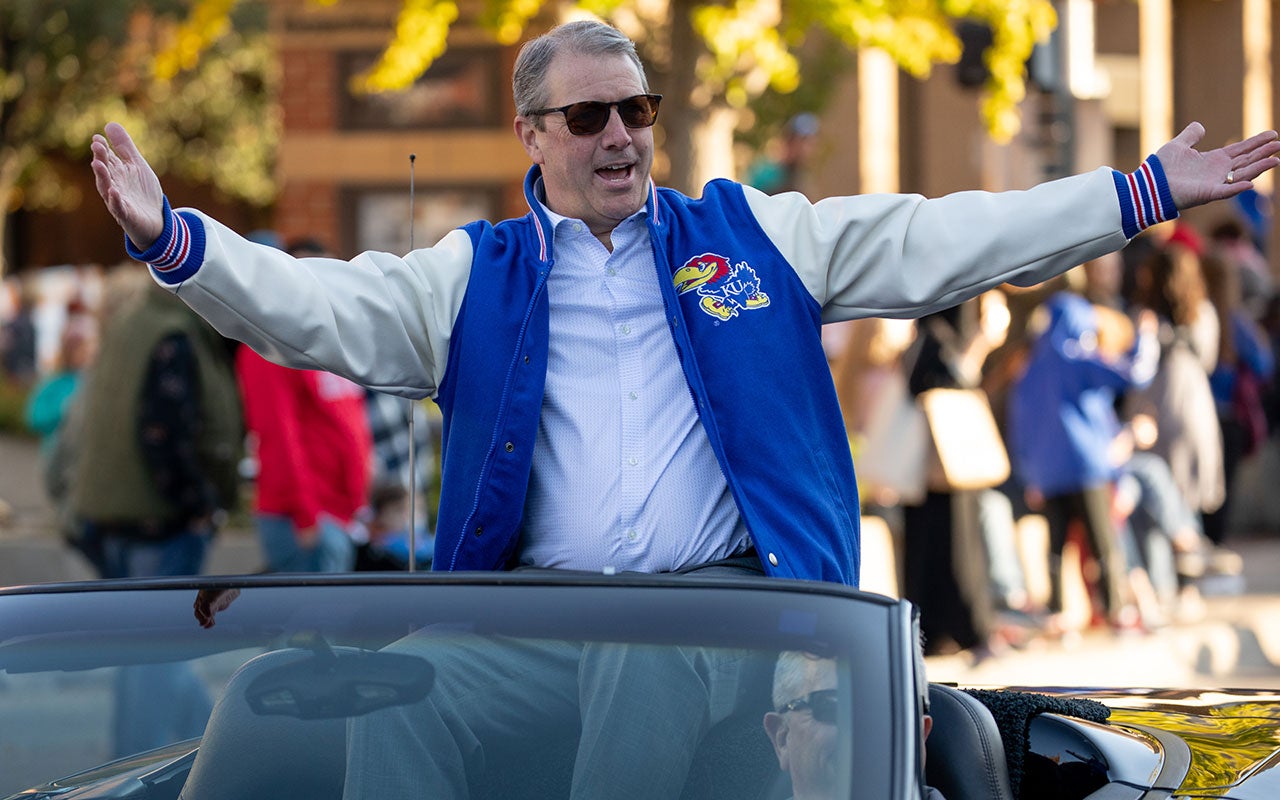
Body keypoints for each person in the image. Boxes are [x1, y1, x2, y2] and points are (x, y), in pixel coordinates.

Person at [90, 18, 1278, 798]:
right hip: (527, 620)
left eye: (635, 111)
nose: (619, 134)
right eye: (588, 116)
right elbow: (311, 310)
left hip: (723, 614)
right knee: (408, 681)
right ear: (531, 135)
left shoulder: (750, 233)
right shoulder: (475, 274)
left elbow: (941, 237)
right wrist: (171, 238)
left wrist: (1134, 192)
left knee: (641, 662)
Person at [69, 273, 243, 757]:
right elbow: (162, 433)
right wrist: (199, 505)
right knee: (155, 660)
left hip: (113, 517)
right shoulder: (175, 335)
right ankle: (148, 767)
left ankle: (205, 745)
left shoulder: (132, 320)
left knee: (142, 655)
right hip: (158, 521)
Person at [236, 237, 373, 573]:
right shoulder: (268, 343)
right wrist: (306, 516)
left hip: (340, 517)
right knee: (317, 625)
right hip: (307, 521)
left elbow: (348, 426)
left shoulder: (331, 338)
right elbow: (277, 435)